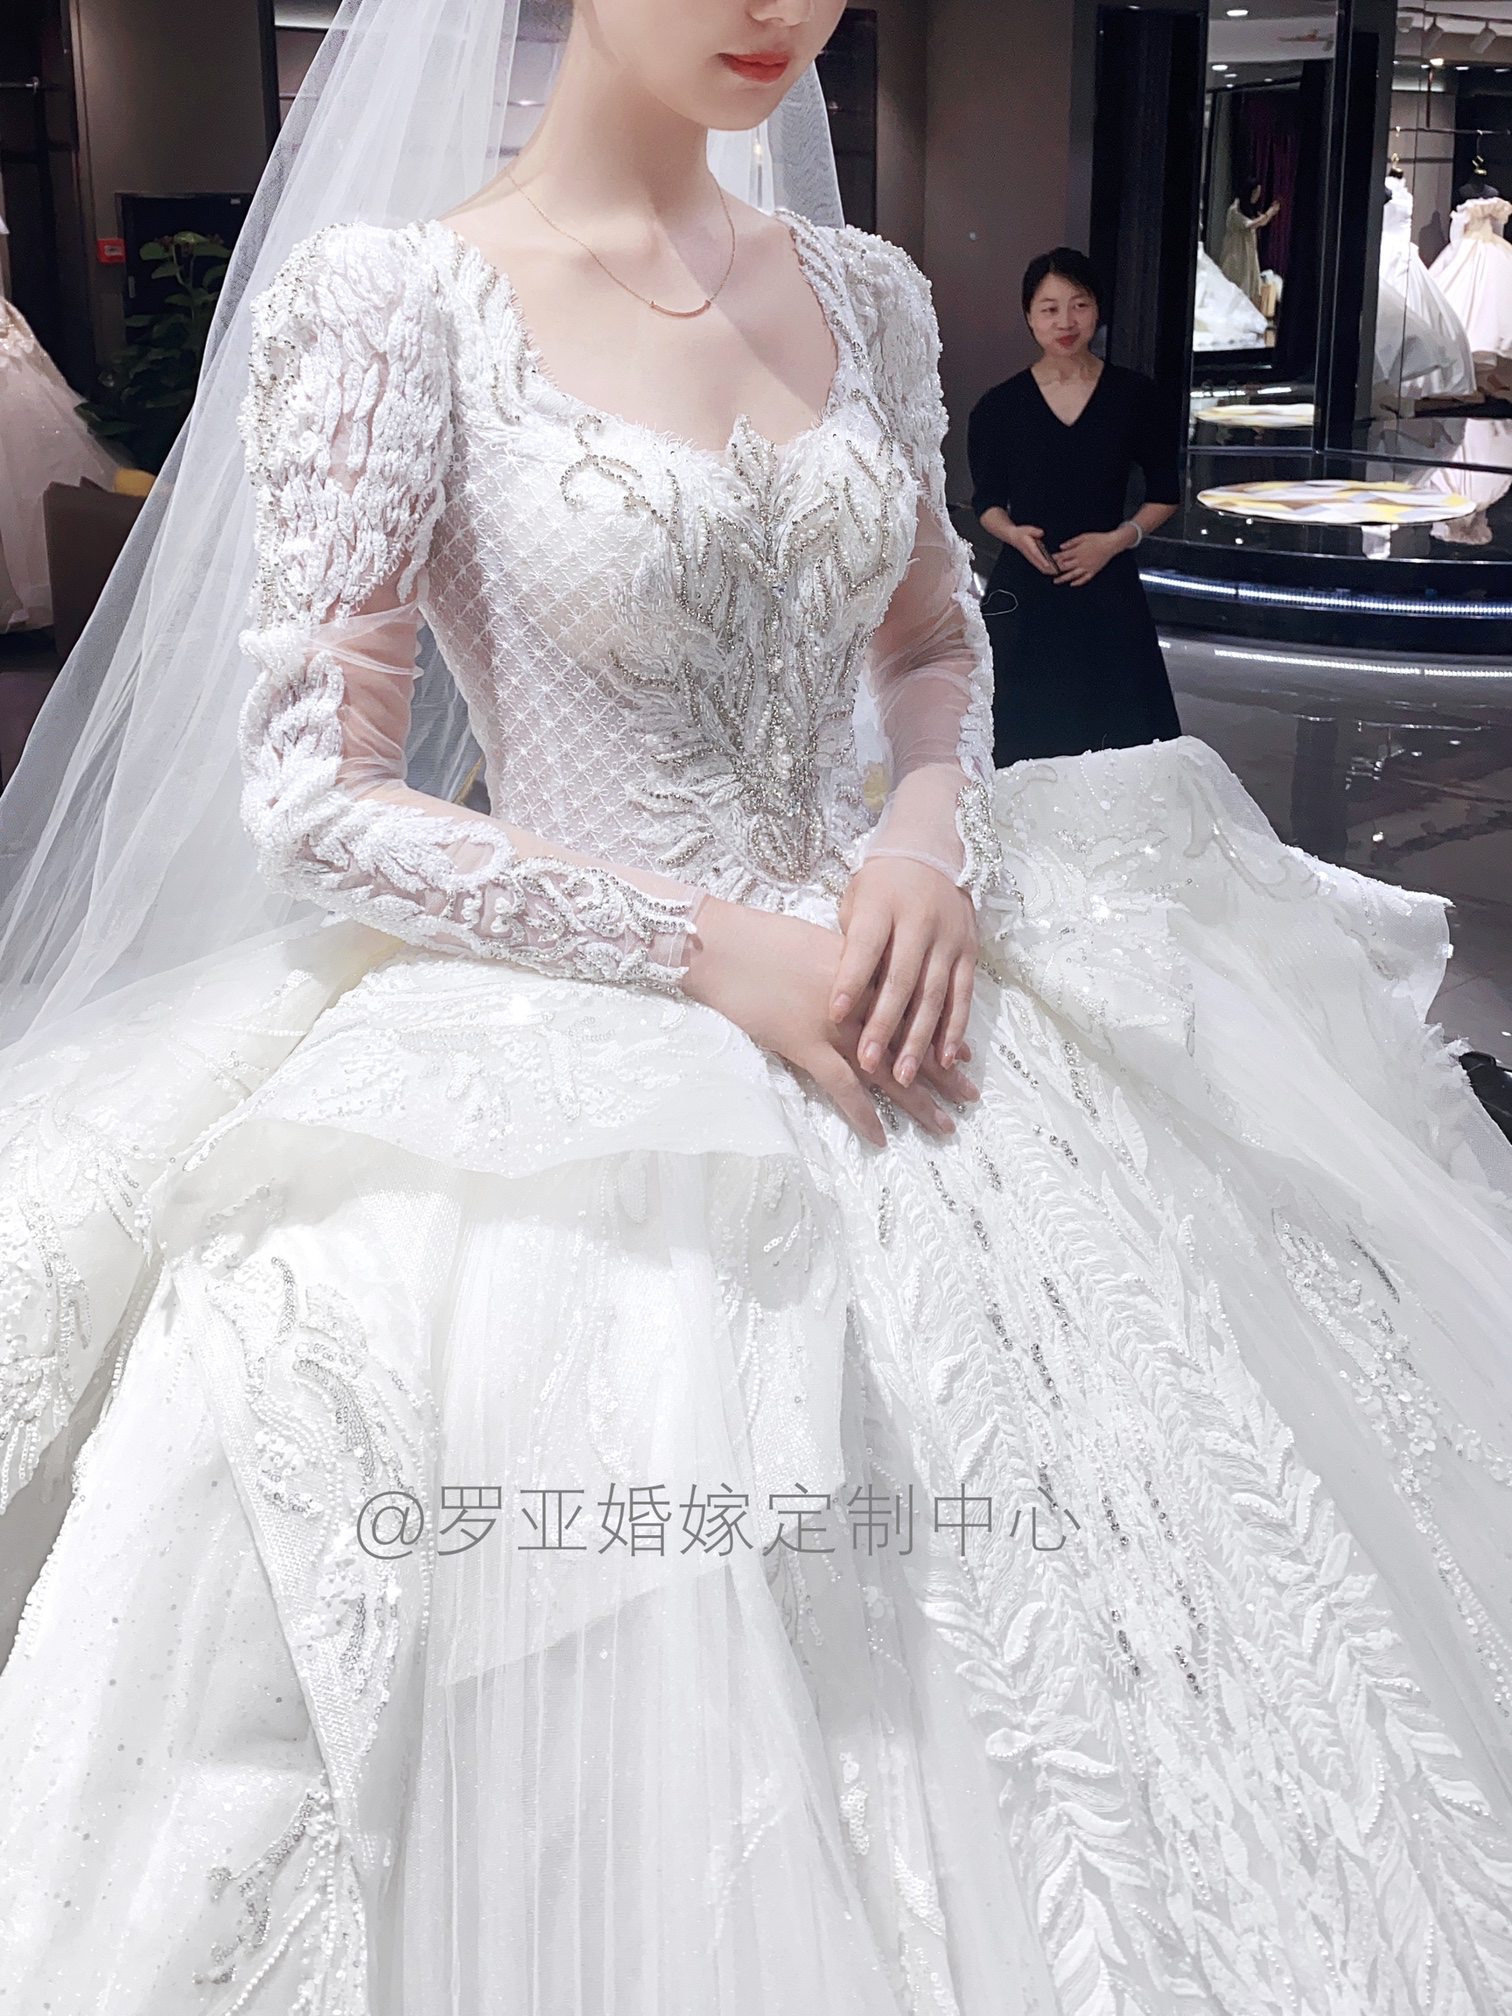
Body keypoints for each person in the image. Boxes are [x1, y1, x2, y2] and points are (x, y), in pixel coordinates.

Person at [3, 2, 1512, 2010]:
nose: (775, 9)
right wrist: (705, 945)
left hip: (907, 961)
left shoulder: (864, 294)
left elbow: (928, 648)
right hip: (586, 1014)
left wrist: (925, 837)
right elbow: (314, 796)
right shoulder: (395, 305)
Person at [967, 248, 1182, 765]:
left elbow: (1165, 494)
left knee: (1121, 736)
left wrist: (1115, 541)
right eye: (1049, 309)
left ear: (1097, 309)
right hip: (1025, 588)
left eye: (1079, 305)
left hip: (1107, 585)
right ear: (1029, 316)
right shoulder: (998, 406)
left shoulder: (1137, 397)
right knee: (1015, 737)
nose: (1065, 322)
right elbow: (987, 502)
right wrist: (1014, 534)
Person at [1220, 179, 1281, 308]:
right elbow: (1251, 224)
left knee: (1250, 288)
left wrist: (1271, 213)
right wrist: (1269, 213)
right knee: (1235, 286)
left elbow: (1260, 222)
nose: (1257, 197)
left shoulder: (1248, 209)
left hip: (1248, 254)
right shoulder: (1235, 210)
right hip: (1237, 254)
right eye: (1255, 193)